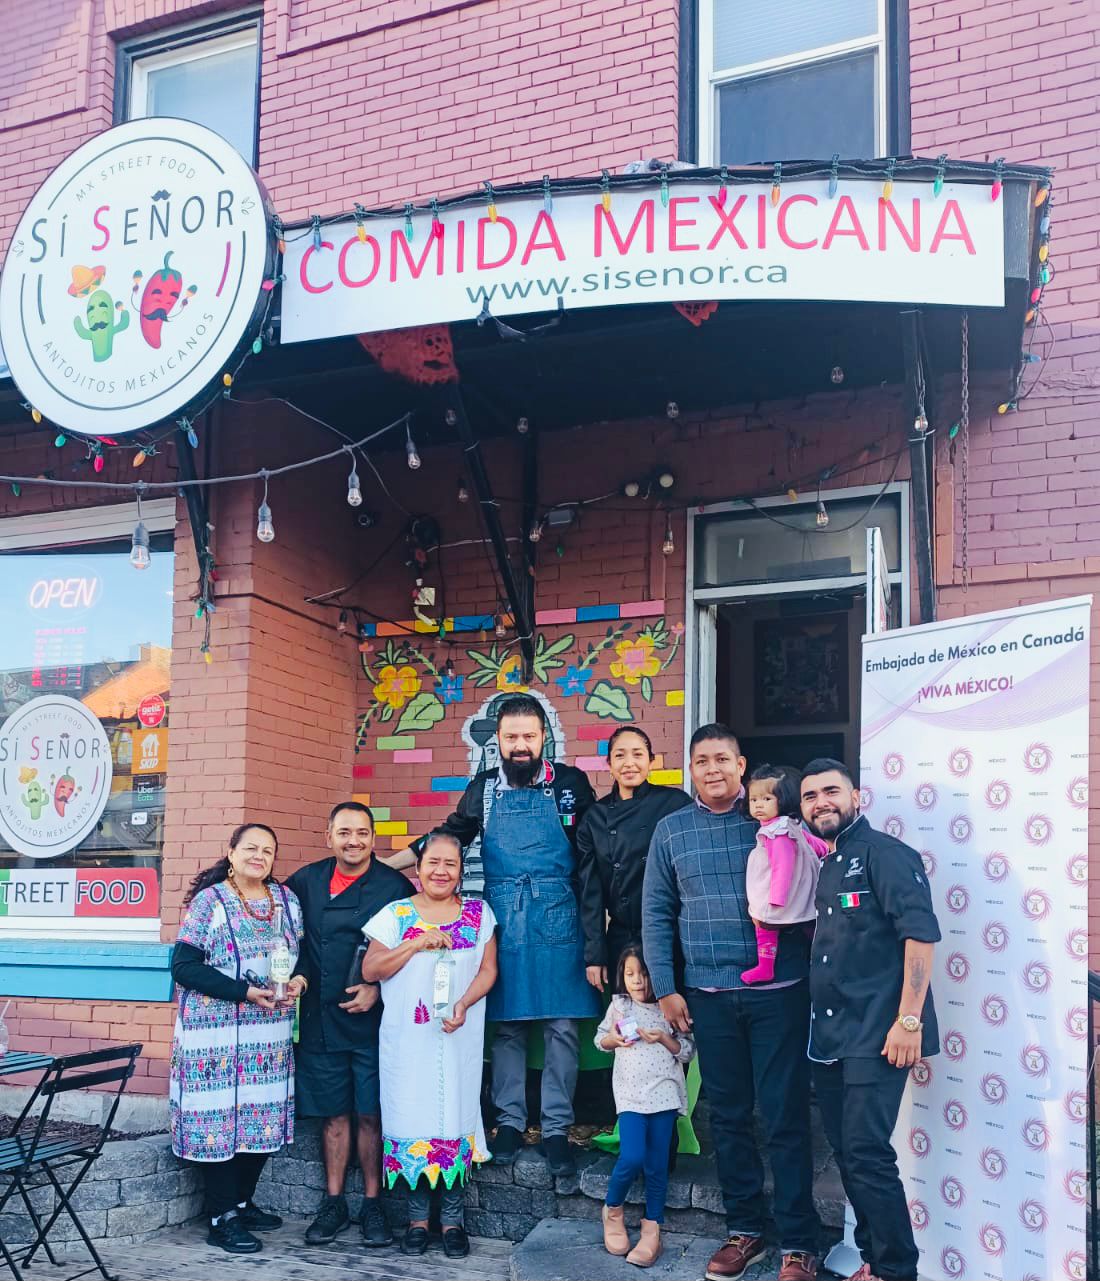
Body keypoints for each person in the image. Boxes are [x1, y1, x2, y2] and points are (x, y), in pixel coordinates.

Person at [642, 724, 820, 1281]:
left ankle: (798, 1241)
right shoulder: (670, 830)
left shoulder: (772, 821)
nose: (713, 769)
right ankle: (745, 1231)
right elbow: (655, 911)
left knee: (786, 1115)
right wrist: (667, 987)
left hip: (779, 993)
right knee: (728, 1115)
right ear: (689, 770)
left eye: (723, 759)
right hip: (708, 997)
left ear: (742, 766)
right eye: (701, 761)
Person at [428, 693, 599, 1176]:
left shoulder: (570, 784)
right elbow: (449, 837)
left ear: (545, 737)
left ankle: (558, 1129)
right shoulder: (482, 788)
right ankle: (507, 1122)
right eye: (511, 737)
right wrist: (394, 863)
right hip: (503, 914)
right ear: (498, 742)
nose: (520, 745)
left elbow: (592, 851)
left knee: (562, 1027)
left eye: (529, 736)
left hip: (560, 913)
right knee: (506, 1027)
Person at [800, 759, 940, 1281]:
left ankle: (896, 1271)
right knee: (846, 1150)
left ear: (856, 796)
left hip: (879, 1033)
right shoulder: (829, 861)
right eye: (810, 796)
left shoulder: (886, 854)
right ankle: (872, 1260)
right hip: (830, 1036)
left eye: (830, 791)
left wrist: (908, 1020)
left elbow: (919, 935)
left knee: (866, 1152)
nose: (821, 803)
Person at [362, 830, 498, 1260]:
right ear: (417, 869)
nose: (441, 871)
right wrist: (416, 941)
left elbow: (489, 970)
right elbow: (372, 969)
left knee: (454, 1115)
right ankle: (418, 1220)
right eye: (432, 862)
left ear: (460, 872)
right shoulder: (395, 914)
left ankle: (454, 1220)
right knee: (413, 1118)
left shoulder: (478, 914)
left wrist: (463, 1004)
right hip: (408, 1041)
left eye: (450, 864)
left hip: (459, 1035)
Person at [169, 823, 303, 1255]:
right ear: (231, 852)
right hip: (215, 1037)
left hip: (268, 1035)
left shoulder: (286, 900)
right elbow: (184, 967)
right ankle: (220, 1217)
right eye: (250, 848)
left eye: (267, 850)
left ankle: (243, 1202)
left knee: (259, 1119)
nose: (258, 856)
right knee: (218, 1123)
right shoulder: (210, 903)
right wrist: (243, 992)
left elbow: (304, 956)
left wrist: (301, 980)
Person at [284, 801, 411, 1247]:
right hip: (321, 1016)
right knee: (334, 1117)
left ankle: (373, 1205)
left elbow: (410, 954)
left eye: (361, 833)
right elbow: (289, 942)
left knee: (371, 1114)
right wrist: (296, 977)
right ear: (329, 836)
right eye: (344, 832)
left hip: (375, 1021)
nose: (353, 841)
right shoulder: (304, 883)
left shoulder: (394, 886)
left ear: (374, 839)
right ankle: (333, 1202)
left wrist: (378, 988)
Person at [595, 945, 695, 1268]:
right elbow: (601, 1040)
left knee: (656, 1163)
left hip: (664, 1095)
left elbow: (688, 1051)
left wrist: (664, 1039)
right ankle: (613, 1209)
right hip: (631, 1096)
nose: (638, 981)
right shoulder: (620, 1007)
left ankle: (653, 1227)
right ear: (623, 978)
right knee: (633, 1155)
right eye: (630, 974)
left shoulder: (669, 1008)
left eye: (644, 973)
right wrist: (613, 1039)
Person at [577, 726, 691, 992]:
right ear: (609, 764)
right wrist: (595, 955)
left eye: (638, 754)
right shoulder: (595, 818)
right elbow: (590, 892)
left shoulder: (675, 804)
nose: (629, 763)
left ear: (651, 761)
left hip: (671, 935)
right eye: (620, 756)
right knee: (627, 1023)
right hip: (622, 937)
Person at [741, 764, 829, 985]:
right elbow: (812, 843)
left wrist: (776, 899)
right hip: (801, 891)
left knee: (764, 925)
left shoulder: (777, 833)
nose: (759, 805)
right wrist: (825, 850)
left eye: (767, 799)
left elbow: (783, 866)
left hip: (781, 894)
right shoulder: (788, 824)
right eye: (754, 800)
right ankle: (823, 956)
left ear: (783, 799)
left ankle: (765, 966)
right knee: (810, 923)